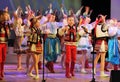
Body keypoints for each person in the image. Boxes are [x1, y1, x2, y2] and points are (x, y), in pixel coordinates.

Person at [0, 10, 10, 80]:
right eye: (6, 15)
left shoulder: (6, 24)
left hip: (4, 43)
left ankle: (2, 71)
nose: (7, 16)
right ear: (2, 16)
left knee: (3, 59)